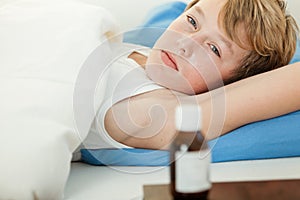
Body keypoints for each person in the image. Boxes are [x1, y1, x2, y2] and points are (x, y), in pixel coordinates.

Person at [80, 0, 299, 152]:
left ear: (231, 84)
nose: (184, 44)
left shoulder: (147, 111)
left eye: (214, 49)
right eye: (192, 21)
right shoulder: (139, 51)